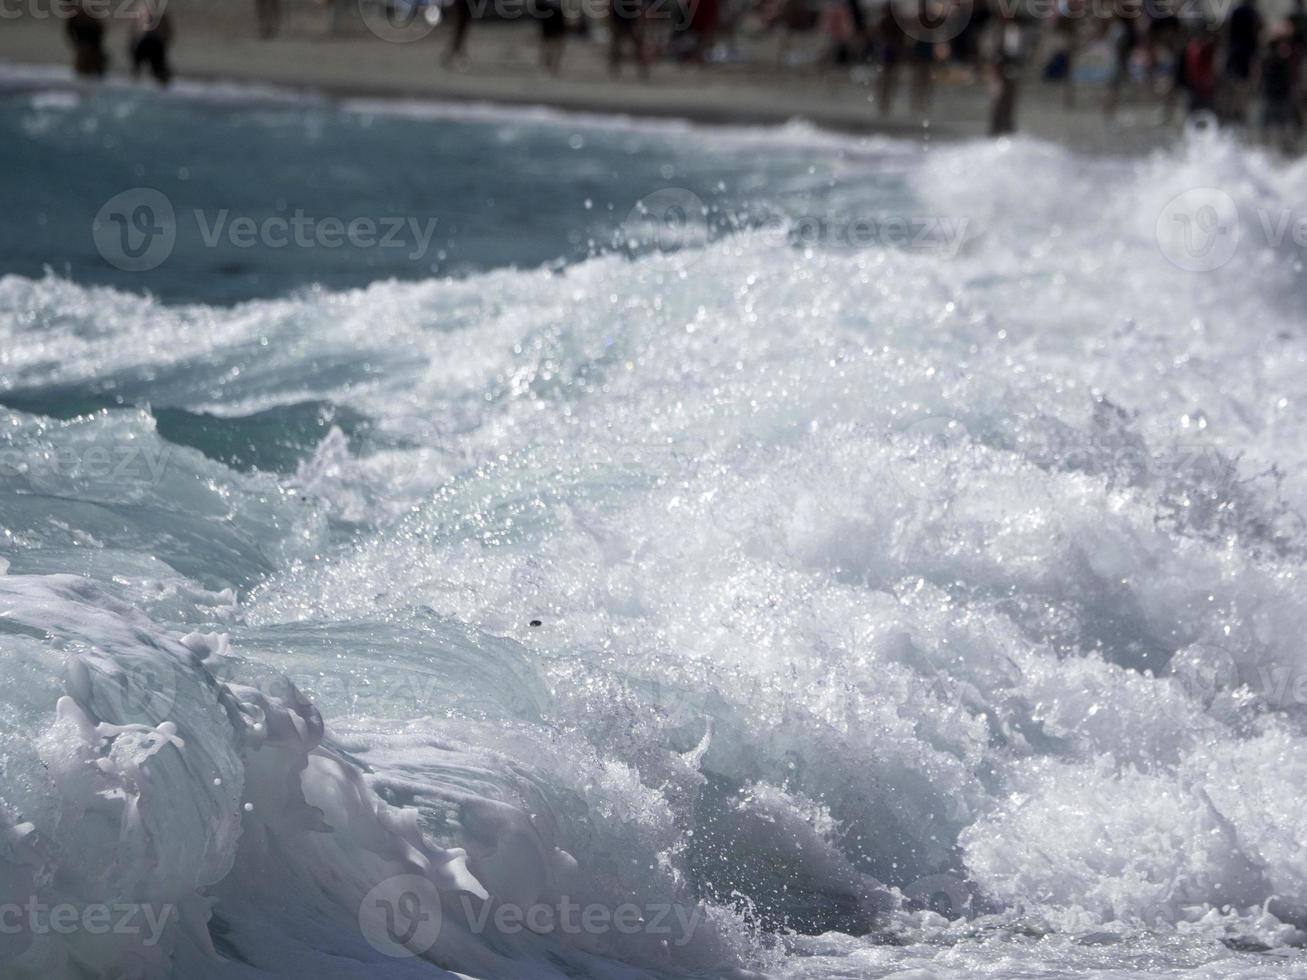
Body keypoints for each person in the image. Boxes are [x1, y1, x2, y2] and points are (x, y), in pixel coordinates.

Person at [1260, 27, 1298, 150]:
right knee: (1280, 124)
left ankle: (1269, 148)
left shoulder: (1266, 59)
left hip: (1273, 95)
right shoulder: (1280, 59)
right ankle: (1277, 149)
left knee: (1272, 125)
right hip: (1277, 95)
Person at [1225, 0, 1263, 121]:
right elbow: (1257, 31)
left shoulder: (1236, 11)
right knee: (1244, 84)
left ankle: (1235, 113)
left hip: (1235, 51)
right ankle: (1239, 113)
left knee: (1236, 83)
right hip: (1246, 53)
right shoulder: (1252, 12)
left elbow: (1228, 31)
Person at [130, 1, 174, 86]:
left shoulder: (143, 8)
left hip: (148, 42)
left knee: (138, 69)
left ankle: (137, 77)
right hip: (153, 42)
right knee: (157, 68)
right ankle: (160, 79)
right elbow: (168, 31)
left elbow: (134, 31)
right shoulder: (154, 9)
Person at [65, 2, 108, 79]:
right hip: (87, 43)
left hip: (89, 44)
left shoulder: (83, 13)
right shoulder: (79, 14)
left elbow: (99, 29)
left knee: (88, 65)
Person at [609, 0, 650, 78]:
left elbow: (640, 6)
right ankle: (615, 67)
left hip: (630, 18)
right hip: (620, 17)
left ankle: (642, 68)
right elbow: (611, 6)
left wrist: (641, 22)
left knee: (637, 45)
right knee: (616, 45)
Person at [539, 0, 567, 74]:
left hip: (548, 7)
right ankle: (550, 66)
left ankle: (549, 66)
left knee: (549, 39)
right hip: (551, 8)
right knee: (554, 40)